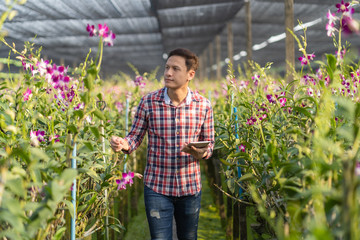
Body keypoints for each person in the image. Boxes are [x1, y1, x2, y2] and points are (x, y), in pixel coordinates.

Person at [110, 48, 214, 240]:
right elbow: (134, 137)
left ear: (190, 74)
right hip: (157, 187)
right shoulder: (148, 102)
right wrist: (122, 143)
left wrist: (202, 153)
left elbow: (209, 144)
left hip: (189, 187)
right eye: (167, 67)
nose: (168, 73)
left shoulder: (203, 105)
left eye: (175, 68)